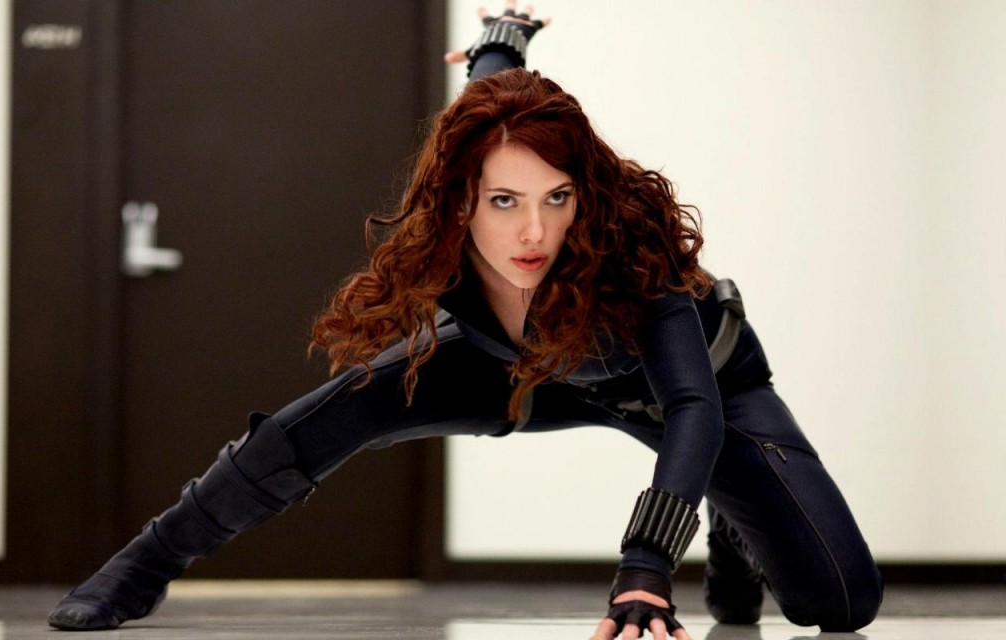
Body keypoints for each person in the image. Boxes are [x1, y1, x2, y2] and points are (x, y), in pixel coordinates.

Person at [47, 4, 883, 639]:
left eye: (558, 198)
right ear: (461, 199)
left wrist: (645, 565)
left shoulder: (631, 247)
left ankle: (736, 526)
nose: (534, 233)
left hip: (705, 388)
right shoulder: (454, 213)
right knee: (339, 407)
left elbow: (692, 405)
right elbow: (489, 86)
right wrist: (503, 35)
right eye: (504, 202)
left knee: (840, 604)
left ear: (584, 192)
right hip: (522, 374)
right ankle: (141, 567)